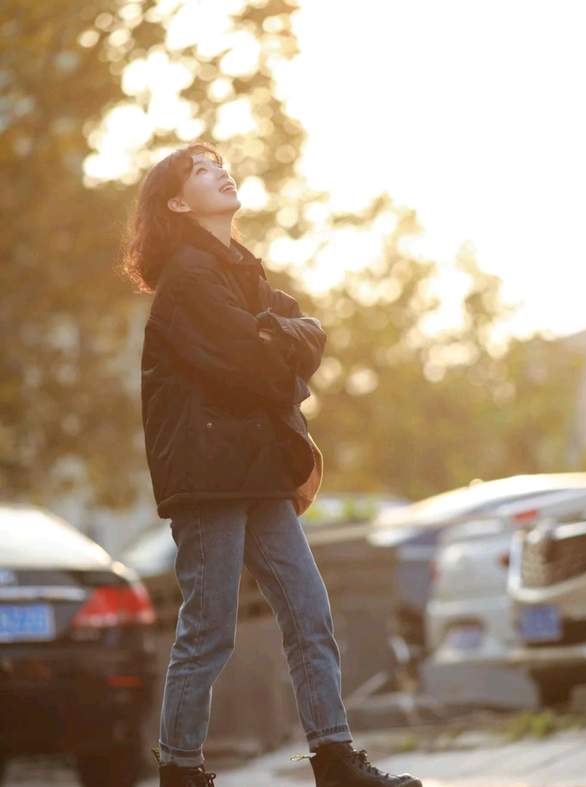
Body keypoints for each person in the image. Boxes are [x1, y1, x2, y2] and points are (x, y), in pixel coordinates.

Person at [119, 140, 422, 787]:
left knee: (310, 613)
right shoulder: (191, 278)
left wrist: (276, 339)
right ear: (178, 201)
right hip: (209, 478)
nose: (220, 171)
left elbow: (305, 332)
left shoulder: (240, 273)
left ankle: (334, 757)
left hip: (257, 469)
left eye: (219, 164)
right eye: (202, 171)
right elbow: (256, 363)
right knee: (209, 630)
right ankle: (181, 769)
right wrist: (277, 343)